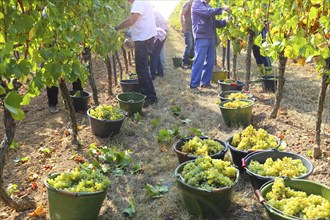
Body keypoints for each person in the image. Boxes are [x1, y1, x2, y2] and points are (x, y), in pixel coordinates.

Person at [115, 0, 158, 107]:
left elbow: (131, 20)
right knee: (141, 68)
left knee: (141, 68)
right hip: (144, 38)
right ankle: (146, 94)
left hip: (144, 39)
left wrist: (117, 28)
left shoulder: (139, 1)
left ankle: (151, 97)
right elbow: (132, 19)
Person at [190, 0, 230, 91]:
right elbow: (207, 13)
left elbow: (214, 22)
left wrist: (226, 21)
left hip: (211, 37)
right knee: (199, 61)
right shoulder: (197, 3)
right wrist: (222, 8)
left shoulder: (208, 5)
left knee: (210, 62)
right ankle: (194, 85)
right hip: (201, 36)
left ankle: (205, 83)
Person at [180, 0, 194, 69]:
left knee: (193, 47)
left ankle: (189, 62)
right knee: (189, 45)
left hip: (194, 30)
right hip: (188, 29)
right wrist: (182, 26)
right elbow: (181, 15)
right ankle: (184, 62)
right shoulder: (188, 4)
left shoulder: (195, 4)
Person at [154, 8, 168, 74]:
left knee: (157, 52)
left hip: (159, 32)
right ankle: (161, 69)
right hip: (163, 31)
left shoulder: (151, 12)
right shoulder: (157, 11)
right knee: (159, 50)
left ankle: (160, 69)